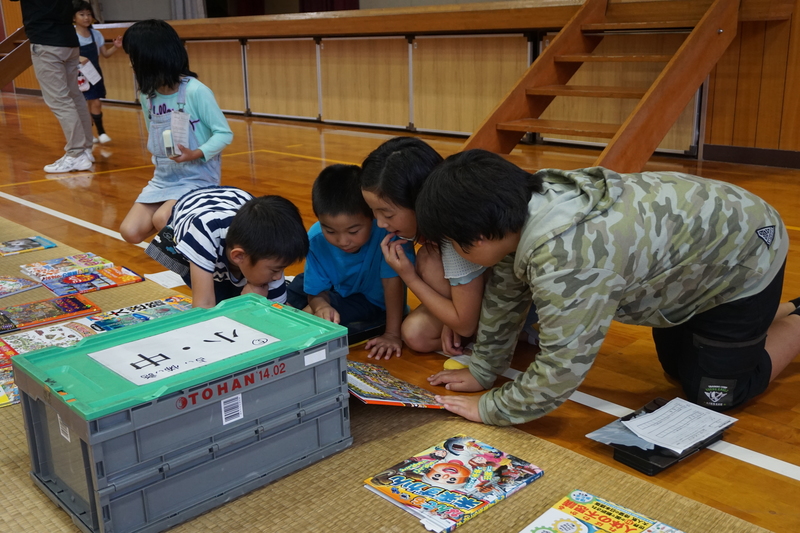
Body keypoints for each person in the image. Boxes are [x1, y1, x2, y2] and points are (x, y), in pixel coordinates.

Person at [417, 149, 800, 426]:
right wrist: (484, 368)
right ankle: (764, 318)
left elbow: (561, 366)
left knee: (712, 394)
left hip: (747, 254)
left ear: (479, 236)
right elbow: (505, 296)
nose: (456, 253)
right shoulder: (521, 208)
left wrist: (491, 408)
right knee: (677, 370)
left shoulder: (568, 256)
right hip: (697, 265)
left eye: (454, 243)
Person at [360, 137, 488, 358]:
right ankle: (471, 324)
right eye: (374, 211)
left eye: (387, 214)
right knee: (415, 334)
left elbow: (464, 325)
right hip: (469, 302)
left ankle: (500, 331)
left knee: (429, 261)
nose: (380, 223)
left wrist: (409, 276)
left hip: (500, 302)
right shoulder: (423, 232)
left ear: (420, 202)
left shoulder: (455, 237)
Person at [119, 19, 233, 245]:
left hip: (198, 177)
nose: (131, 65)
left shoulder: (195, 91)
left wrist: (194, 153)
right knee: (130, 232)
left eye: (134, 57)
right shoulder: (147, 96)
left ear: (151, 57)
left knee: (163, 219)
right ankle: (188, 241)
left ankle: (198, 259)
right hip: (163, 178)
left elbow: (224, 134)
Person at [286, 164, 414, 358]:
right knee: (295, 290)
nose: (343, 241)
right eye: (330, 231)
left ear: (372, 216)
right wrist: (321, 305)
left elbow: (393, 284)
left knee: (314, 317)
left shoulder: (387, 235)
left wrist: (392, 333)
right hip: (337, 287)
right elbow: (315, 290)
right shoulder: (316, 238)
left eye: (353, 231)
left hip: (372, 301)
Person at [145, 186, 308, 309]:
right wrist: (242, 304)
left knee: (259, 290)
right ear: (239, 256)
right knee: (220, 298)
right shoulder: (202, 234)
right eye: (275, 270)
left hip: (235, 202)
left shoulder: (271, 250)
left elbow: (278, 308)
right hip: (194, 210)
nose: (278, 277)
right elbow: (203, 308)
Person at [15, 0, 94, 173]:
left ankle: (76, 153)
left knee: (60, 100)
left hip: (47, 42)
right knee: (74, 96)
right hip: (69, 40)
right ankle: (86, 149)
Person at [73, 1, 121, 144]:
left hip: (94, 74)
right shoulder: (71, 35)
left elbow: (105, 54)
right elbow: (66, 55)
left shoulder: (96, 34)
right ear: (74, 17)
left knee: (96, 102)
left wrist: (115, 47)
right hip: (78, 76)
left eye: (89, 14)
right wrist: (78, 57)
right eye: (82, 14)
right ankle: (89, 134)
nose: (86, 17)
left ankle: (101, 132)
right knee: (83, 105)